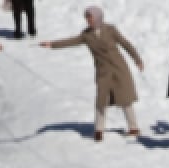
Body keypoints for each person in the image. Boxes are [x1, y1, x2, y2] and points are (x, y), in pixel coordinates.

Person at [41, 6, 144, 143]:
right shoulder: (86, 35)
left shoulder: (110, 30)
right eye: (87, 18)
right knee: (101, 100)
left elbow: (126, 44)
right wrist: (52, 44)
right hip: (103, 72)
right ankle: (98, 130)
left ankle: (133, 127)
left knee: (125, 97)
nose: (88, 20)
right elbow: (71, 41)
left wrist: (137, 59)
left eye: (90, 17)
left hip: (119, 69)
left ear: (97, 17)